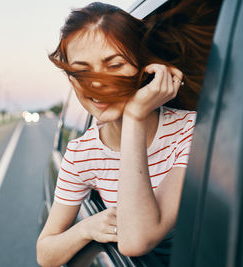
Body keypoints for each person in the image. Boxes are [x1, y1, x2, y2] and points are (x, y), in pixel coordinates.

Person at [37, 1, 220, 266]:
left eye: (114, 65)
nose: (98, 83)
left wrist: (134, 116)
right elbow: (45, 252)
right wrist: (86, 228)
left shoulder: (191, 131)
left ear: (145, 68)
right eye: (82, 71)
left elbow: (137, 238)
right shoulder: (81, 154)